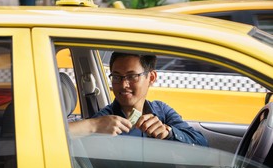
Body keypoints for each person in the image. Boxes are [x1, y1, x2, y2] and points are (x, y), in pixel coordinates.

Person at [70, 52, 208, 146]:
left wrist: (168, 133)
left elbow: (202, 144)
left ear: (151, 78)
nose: (124, 85)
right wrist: (93, 126)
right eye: (117, 77)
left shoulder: (162, 111)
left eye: (132, 76)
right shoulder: (103, 121)